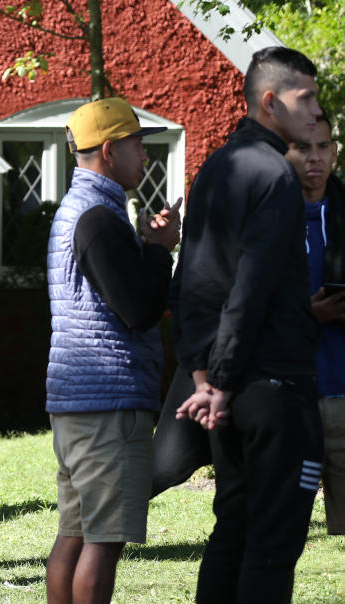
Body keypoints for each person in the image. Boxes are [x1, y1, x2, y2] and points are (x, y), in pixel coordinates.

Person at [173, 46, 324, 604]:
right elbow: (249, 290)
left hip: (228, 389)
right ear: (270, 102)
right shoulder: (275, 177)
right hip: (272, 390)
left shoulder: (215, 166)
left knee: (233, 530)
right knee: (272, 544)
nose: (315, 110)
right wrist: (221, 381)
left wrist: (202, 376)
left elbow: (189, 281)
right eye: (305, 97)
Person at [42, 99, 181, 604]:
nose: (144, 156)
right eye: (138, 145)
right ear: (109, 150)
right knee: (103, 543)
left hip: (77, 398)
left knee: (74, 536)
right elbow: (139, 310)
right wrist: (160, 250)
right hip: (109, 402)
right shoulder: (99, 217)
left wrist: (147, 247)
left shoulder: (77, 210)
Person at [285, 115, 345, 536]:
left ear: (335, 153)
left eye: (323, 147)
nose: (314, 158)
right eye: (303, 148)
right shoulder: (270, 219)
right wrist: (307, 313)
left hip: (343, 388)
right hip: (291, 392)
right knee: (283, 531)